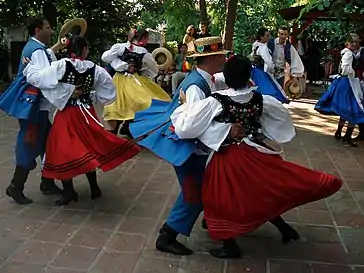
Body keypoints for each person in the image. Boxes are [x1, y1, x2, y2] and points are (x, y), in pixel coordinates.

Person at [171, 55, 342, 258]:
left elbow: (186, 127)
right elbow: (281, 120)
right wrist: (260, 130)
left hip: (228, 157)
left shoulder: (215, 101)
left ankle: (229, 244)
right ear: (249, 77)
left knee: (220, 197)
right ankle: (284, 229)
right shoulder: (260, 99)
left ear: (225, 76)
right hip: (255, 151)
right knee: (261, 192)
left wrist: (184, 108)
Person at [129, 37, 245, 255]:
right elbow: (189, 127)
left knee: (200, 191)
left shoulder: (205, 79)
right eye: (221, 55)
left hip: (193, 148)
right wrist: (227, 131)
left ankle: (212, 226)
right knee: (195, 194)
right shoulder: (196, 87)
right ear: (211, 57)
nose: (224, 58)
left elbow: (221, 83)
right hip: (186, 147)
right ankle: (167, 235)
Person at [22, 35, 141, 205]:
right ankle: (94, 188)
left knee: (62, 149)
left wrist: (30, 67)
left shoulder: (62, 65)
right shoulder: (96, 69)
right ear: (85, 49)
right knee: (88, 146)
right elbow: (109, 92)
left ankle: (69, 192)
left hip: (67, 113)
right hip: (86, 111)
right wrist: (92, 95)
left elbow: (39, 78)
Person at [0, 16, 63, 204]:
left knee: (48, 142)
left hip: (35, 107)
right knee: (29, 143)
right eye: (48, 27)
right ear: (37, 30)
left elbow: (45, 60)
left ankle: (47, 182)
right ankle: (15, 186)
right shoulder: (36, 51)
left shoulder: (35, 48)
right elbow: (47, 79)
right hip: (34, 108)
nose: (51, 31)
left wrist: (57, 48)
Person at [101, 28, 171, 137]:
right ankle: (124, 128)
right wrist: (127, 67)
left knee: (123, 104)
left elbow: (106, 57)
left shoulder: (121, 47)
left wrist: (120, 65)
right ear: (142, 38)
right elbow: (153, 70)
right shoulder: (142, 52)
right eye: (147, 39)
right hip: (131, 80)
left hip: (121, 79)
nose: (147, 41)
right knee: (142, 103)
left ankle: (124, 128)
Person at [315, 33, 364, 147]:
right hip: (349, 83)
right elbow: (346, 69)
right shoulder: (348, 54)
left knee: (348, 109)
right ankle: (347, 136)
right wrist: (353, 73)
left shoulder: (349, 52)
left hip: (346, 82)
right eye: (352, 42)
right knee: (354, 109)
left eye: (356, 42)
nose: (355, 44)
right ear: (347, 43)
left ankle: (339, 132)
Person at [251, 27, 289, 103]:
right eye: (267, 36)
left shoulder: (255, 45)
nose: (269, 37)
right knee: (269, 91)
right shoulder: (263, 48)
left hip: (254, 71)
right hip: (262, 71)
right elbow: (268, 62)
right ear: (262, 37)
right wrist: (271, 71)